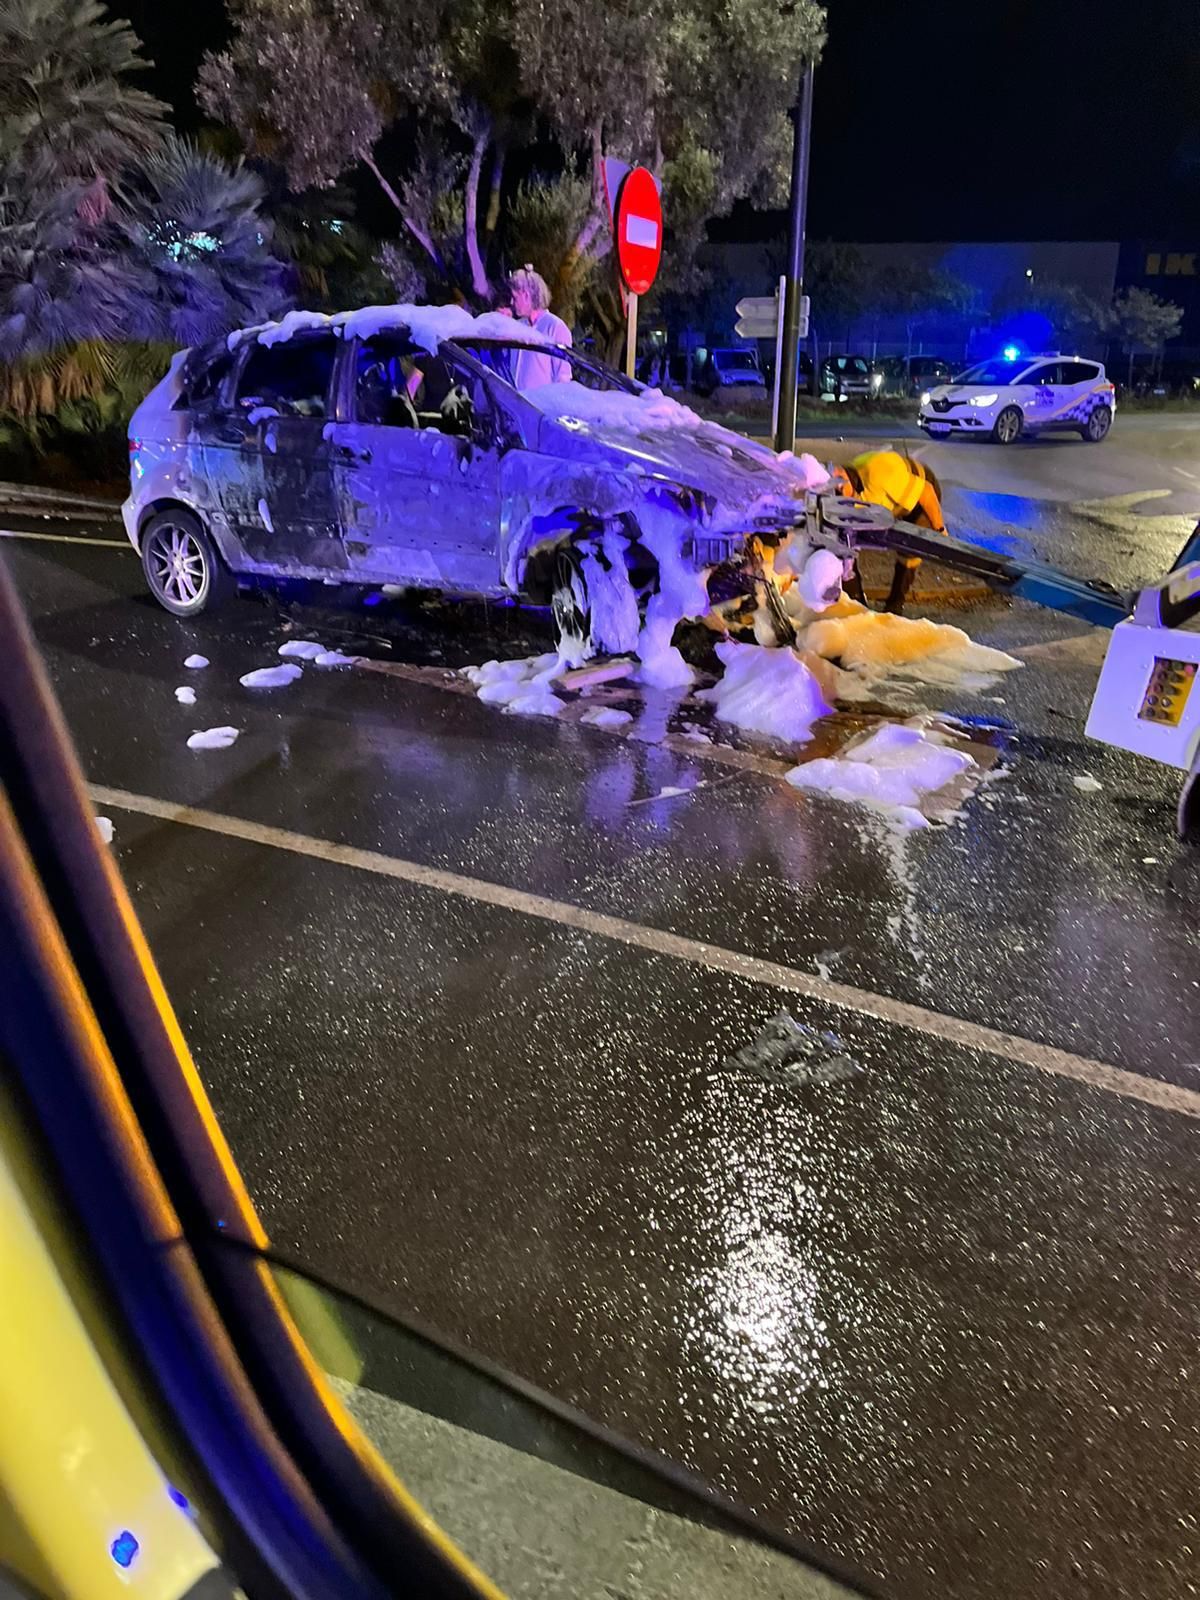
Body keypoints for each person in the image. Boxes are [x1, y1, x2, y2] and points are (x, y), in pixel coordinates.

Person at [832, 450, 946, 612]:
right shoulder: (849, 486)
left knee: (908, 551)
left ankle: (895, 606)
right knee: (845, 547)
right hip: (890, 503)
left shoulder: (882, 474)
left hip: (921, 496)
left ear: (848, 482)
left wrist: (940, 530)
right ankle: (856, 605)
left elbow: (926, 491)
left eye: (840, 492)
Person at [507, 265, 572, 389]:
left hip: (541, 406)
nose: (511, 302)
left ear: (526, 295)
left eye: (515, 297)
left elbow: (563, 378)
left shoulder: (555, 327)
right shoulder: (517, 327)